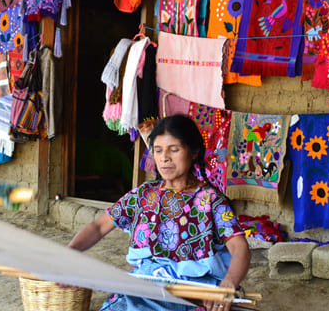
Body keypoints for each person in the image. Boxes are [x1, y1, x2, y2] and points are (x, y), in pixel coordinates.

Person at [67, 114, 251, 311]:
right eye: (158, 150)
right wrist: (69, 253)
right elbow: (98, 226)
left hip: (196, 291)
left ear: (194, 151)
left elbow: (239, 247)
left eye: (174, 150)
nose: (164, 158)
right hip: (146, 286)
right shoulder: (143, 195)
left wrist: (229, 283)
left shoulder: (211, 200)